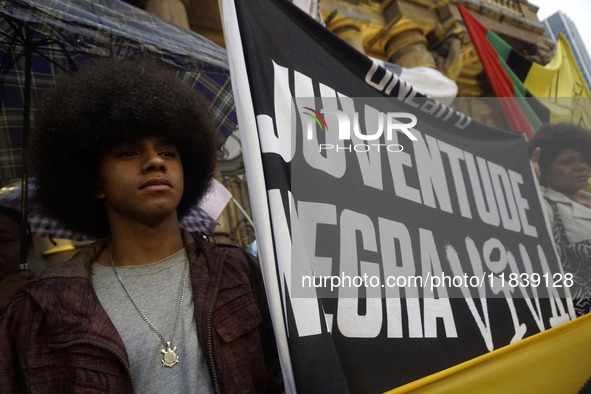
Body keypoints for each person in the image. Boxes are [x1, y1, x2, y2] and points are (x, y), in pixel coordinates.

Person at [0, 58, 283, 393]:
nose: (155, 161)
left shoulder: (241, 273)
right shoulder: (39, 309)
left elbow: (285, 374)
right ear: (95, 183)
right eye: (128, 153)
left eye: (168, 151)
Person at [529, 122, 591, 317]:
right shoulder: (547, 206)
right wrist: (531, 184)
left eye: (583, 159)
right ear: (545, 171)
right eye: (567, 162)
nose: (580, 167)